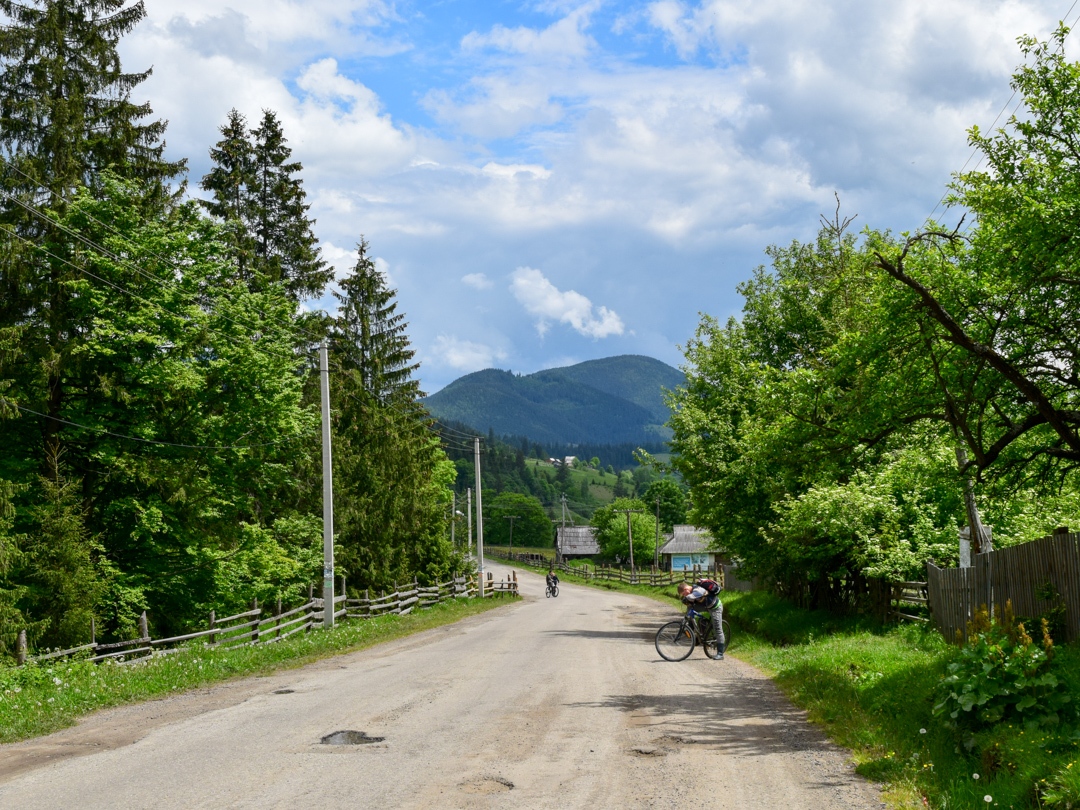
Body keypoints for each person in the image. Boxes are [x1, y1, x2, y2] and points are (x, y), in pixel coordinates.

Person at [677, 580, 725, 659]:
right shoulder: (692, 592)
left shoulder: (697, 589)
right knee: (690, 608)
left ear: (686, 589)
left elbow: (698, 594)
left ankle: (720, 654)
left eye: (683, 594)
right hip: (706, 606)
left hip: (715, 608)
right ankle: (693, 632)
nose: (684, 595)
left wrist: (687, 597)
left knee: (718, 629)